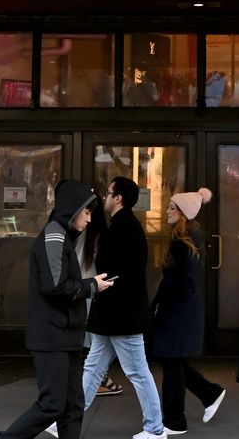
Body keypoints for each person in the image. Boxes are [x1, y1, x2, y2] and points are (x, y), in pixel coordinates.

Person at [0, 179, 111, 439]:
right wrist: (91, 286)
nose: (89, 220)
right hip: (52, 337)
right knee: (52, 405)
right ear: (73, 209)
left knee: (72, 406)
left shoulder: (61, 235)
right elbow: (55, 286)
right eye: (87, 212)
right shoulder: (55, 236)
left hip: (65, 336)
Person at [80, 177, 163, 439]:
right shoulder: (124, 225)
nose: (105, 196)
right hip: (115, 314)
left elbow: (121, 272)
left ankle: (155, 428)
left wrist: (101, 286)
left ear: (119, 198)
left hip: (120, 314)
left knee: (137, 371)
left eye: (109, 193)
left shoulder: (124, 228)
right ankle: (66, 419)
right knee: (93, 368)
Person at [149, 188, 226, 435]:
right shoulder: (185, 238)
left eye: (172, 208)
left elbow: (185, 282)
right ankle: (209, 393)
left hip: (178, 313)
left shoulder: (184, 241)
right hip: (180, 311)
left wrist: (165, 304)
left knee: (171, 361)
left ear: (184, 212)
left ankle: (175, 420)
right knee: (173, 360)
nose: (167, 211)